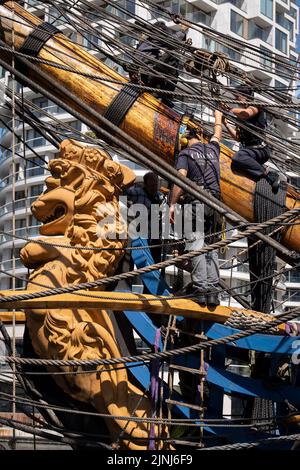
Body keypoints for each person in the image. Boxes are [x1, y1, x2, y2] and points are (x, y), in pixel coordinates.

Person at [169, 110, 223, 307]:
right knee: (212, 247)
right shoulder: (213, 149)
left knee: (196, 244)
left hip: (197, 201)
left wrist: (172, 205)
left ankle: (200, 290)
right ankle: (213, 292)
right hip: (216, 204)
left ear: (185, 140)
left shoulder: (186, 154)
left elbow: (180, 179)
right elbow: (217, 134)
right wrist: (219, 116)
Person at [223, 85, 280, 192]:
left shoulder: (255, 106)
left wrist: (230, 110)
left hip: (260, 149)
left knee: (238, 157)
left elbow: (246, 114)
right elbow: (238, 138)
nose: (236, 99)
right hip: (251, 151)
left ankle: (270, 175)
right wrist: (226, 124)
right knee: (235, 167)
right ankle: (266, 178)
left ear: (246, 96)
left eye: (238, 96)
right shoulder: (240, 117)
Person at [130, 22, 189, 107]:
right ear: (161, 30)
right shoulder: (157, 35)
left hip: (139, 72)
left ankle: (160, 94)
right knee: (173, 62)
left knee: (166, 59)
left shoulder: (146, 39)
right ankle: (166, 97)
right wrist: (183, 30)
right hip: (145, 72)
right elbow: (173, 41)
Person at [126, 172, 165, 263]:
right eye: (151, 185)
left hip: (154, 236)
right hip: (139, 236)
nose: (154, 187)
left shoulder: (159, 196)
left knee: (156, 263)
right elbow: (122, 192)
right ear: (145, 184)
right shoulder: (137, 193)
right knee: (133, 260)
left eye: (155, 185)